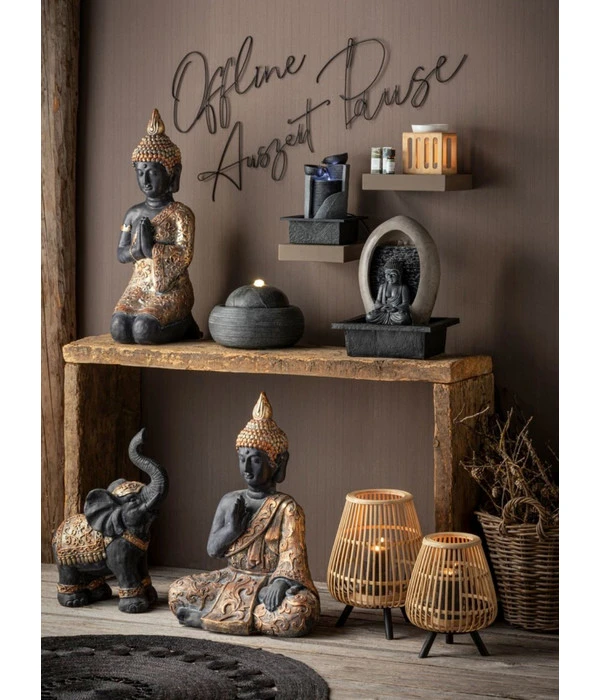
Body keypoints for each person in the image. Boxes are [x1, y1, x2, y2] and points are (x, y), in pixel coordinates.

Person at [168, 392, 320, 637]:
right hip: (231, 577)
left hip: (268, 582)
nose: (247, 469)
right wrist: (232, 529)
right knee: (178, 591)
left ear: (277, 463)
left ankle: (208, 617)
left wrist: (280, 583)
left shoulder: (287, 508)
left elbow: (292, 558)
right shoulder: (230, 500)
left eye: (256, 460)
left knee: (298, 611)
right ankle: (243, 617)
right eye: (242, 459)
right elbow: (213, 550)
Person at [110, 108, 201, 344]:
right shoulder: (133, 213)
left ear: (172, 173)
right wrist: (136, 250)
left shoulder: (181, 214)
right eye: (141, 172)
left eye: (153, 172)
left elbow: (184, 255)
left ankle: (184, 323)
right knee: (119, 328)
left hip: (170, 288)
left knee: (143, 330)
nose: (146, 180)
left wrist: (152, 249)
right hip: (138, 286)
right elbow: (120, 253)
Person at [366, 259, 412, 325]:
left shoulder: (403, 288)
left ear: (399, 275)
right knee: (369, 316)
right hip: (383, 312)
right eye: (387, 274)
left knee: (404, 318)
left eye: (393, 274)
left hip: (395, 313)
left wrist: (395, 308)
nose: (389, 277)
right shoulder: (382, 287)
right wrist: (382, 307)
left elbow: (406, 304)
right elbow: (377, 302)